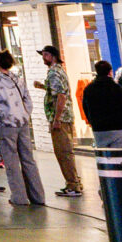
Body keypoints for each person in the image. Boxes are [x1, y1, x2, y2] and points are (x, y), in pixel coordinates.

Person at [0, 51, 46, 208]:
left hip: (6, 125)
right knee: (28, 159)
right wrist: (25, 115)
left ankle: (19, 197)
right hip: (23, 123)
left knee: (11, 161)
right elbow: (28, 100)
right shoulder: (18, 79)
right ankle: (38, 196)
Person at [80, 57, 122, 188]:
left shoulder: (89, 89)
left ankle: (107, 192)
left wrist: (93, 123)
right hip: (118, 129)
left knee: (105, 163)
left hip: (99, 131)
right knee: (121, 163)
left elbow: (85, 108)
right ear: (110, 72)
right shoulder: (116, 88)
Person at [38, 44, 85, 198]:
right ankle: (75, 181)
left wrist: (56, 119)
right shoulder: (58, 71)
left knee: (63, 152)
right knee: (66, 152)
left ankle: (73, 185)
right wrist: (42, 86)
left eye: (45, 54)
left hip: (61, 119)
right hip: (65, 117)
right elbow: (57, 91)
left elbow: (61, 96)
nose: (43, 58)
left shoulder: (54, 73)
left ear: (53, 56)